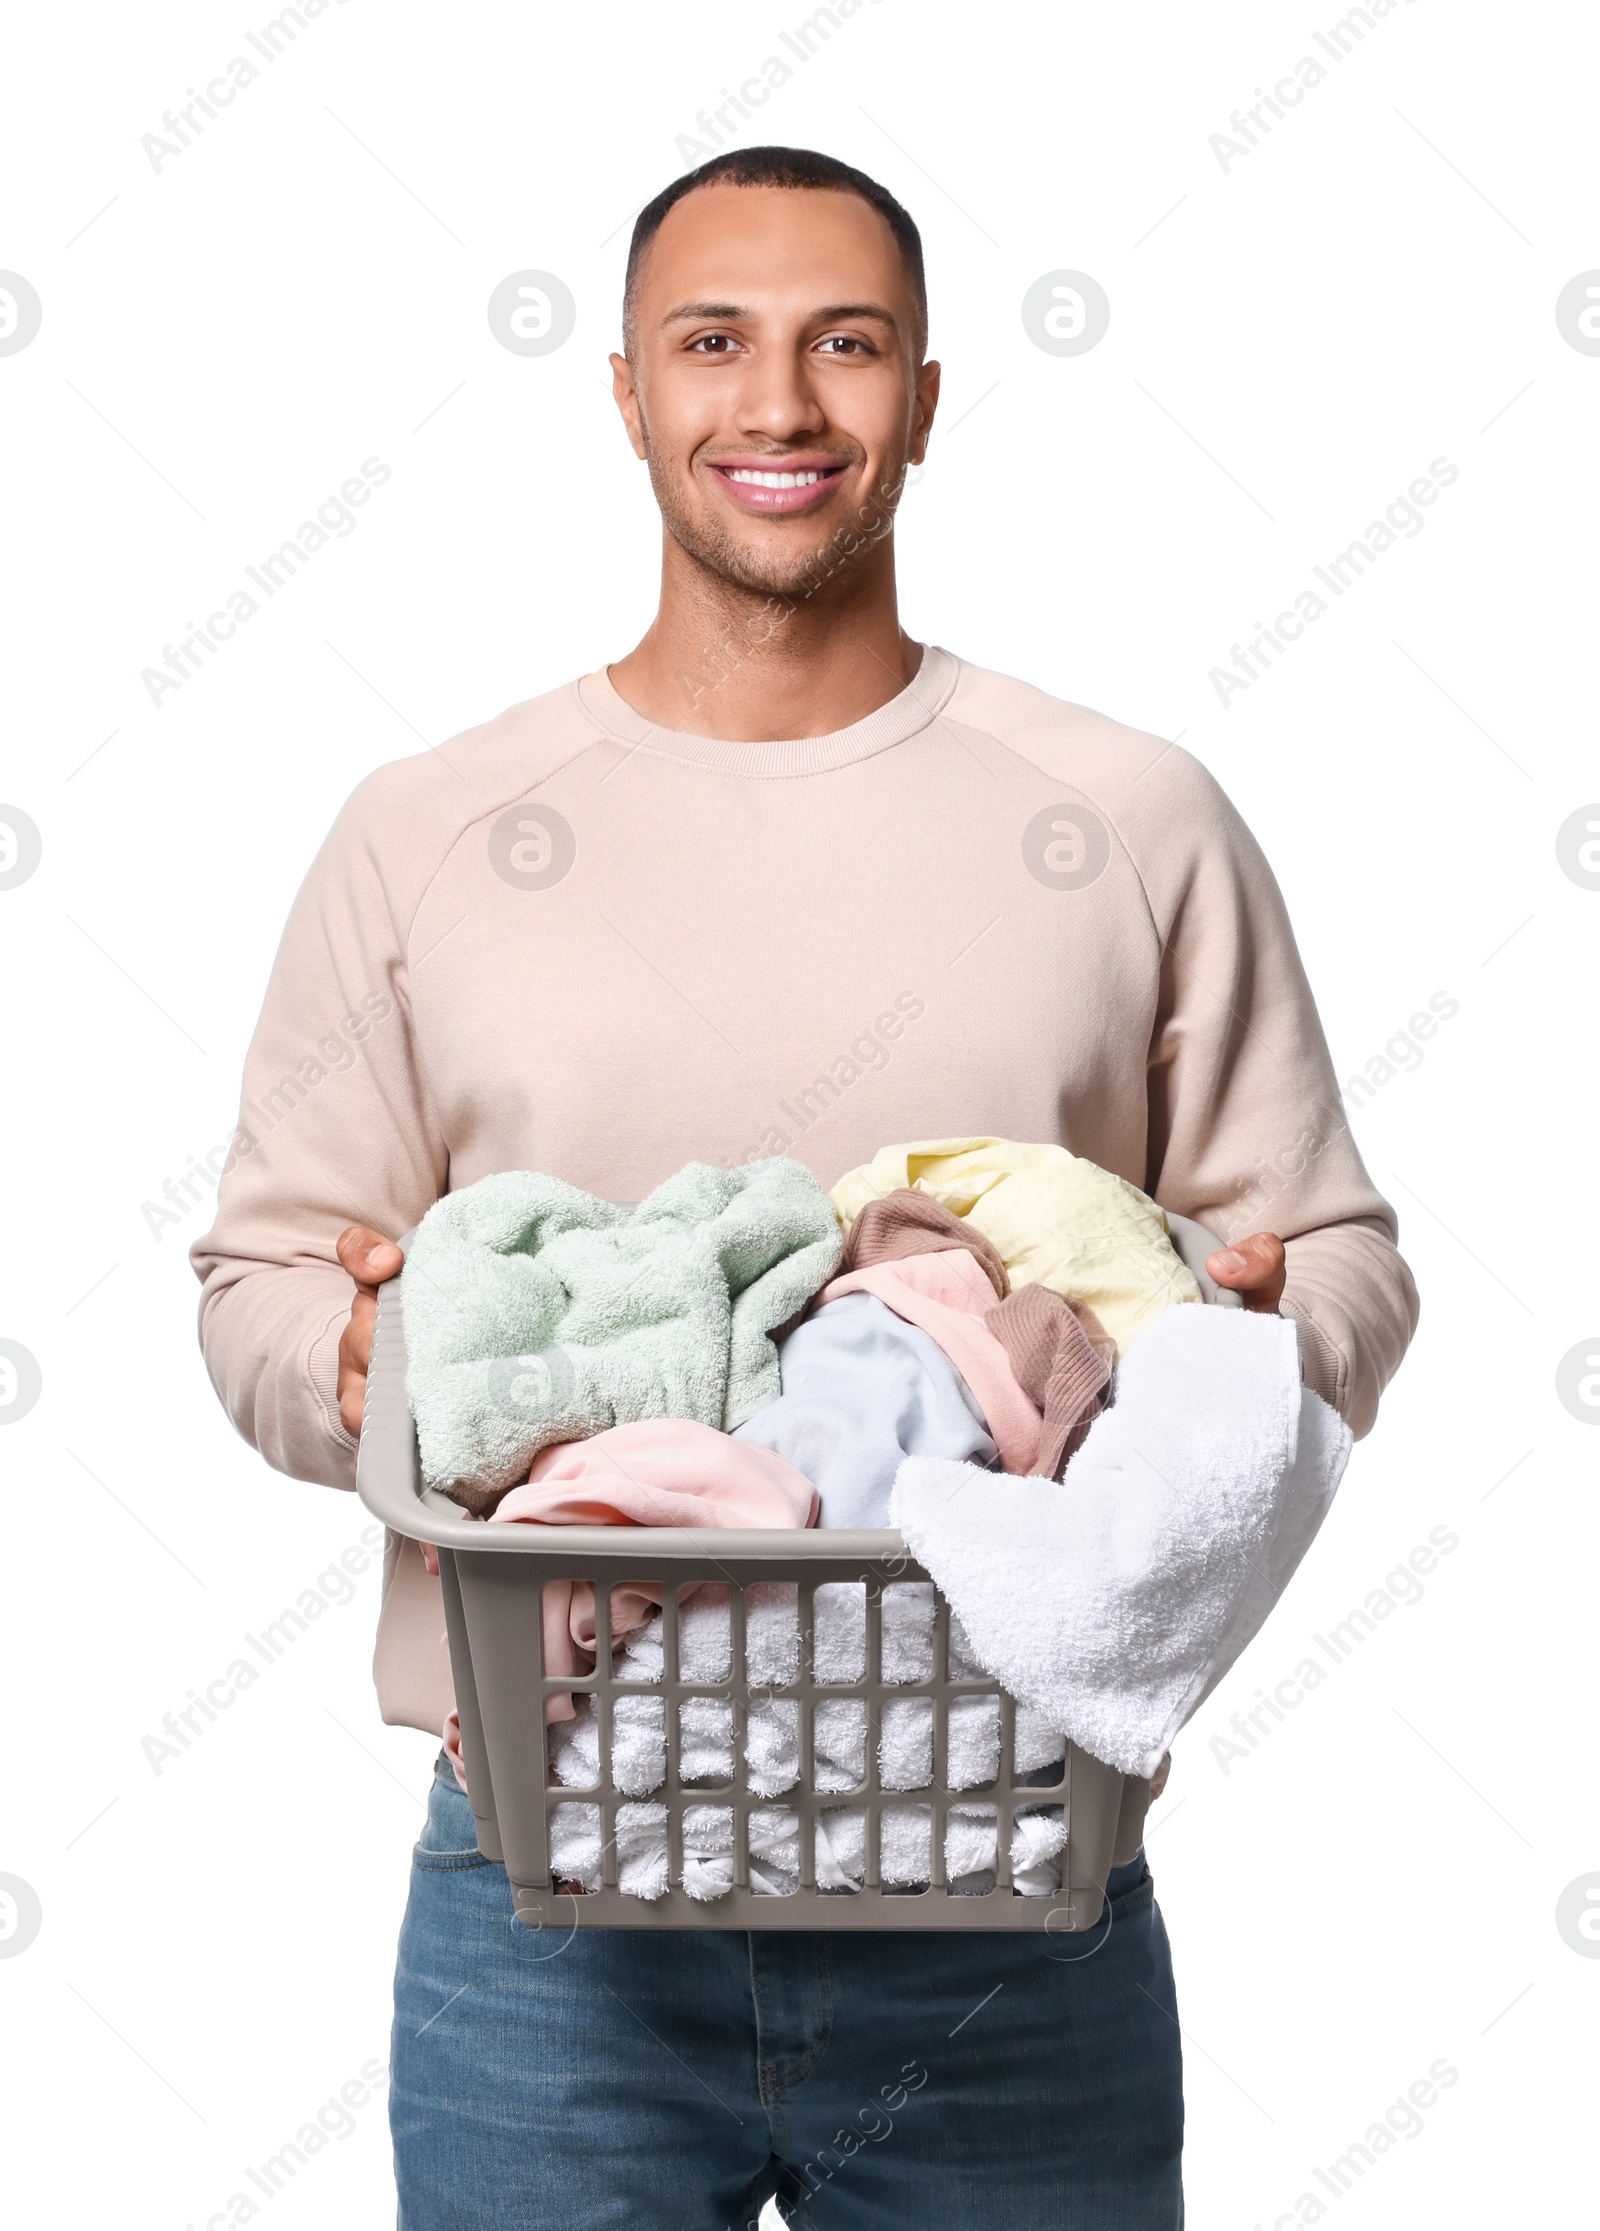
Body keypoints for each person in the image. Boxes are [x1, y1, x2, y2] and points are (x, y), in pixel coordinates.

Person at [192, 145, 1418, 2228]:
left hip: (1005, 1890)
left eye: (842, 345)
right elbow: (258, 1283)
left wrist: (1211, 1336)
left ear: (923, 401)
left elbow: (1342, 1261)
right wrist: (403, 1354)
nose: (776, 406)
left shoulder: (1124, 817)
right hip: (545, 1903)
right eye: (712, 343)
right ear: (623, 394)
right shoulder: (428, 832)